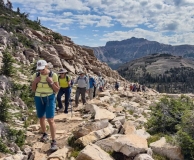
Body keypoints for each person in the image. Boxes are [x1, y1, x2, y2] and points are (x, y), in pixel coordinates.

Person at [31, 60, 60, 151]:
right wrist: (35, 82)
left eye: (42, 69)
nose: (41, 71)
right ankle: (44, 134)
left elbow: (57, 90)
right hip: (38, 97)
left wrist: (51, 82)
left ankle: (54, 141)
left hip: (50, 97)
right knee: (41, 118)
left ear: (46, 66)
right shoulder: (35, 75)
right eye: (39, 70)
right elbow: (33, 89)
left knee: (50, 119)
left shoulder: (53, 75)